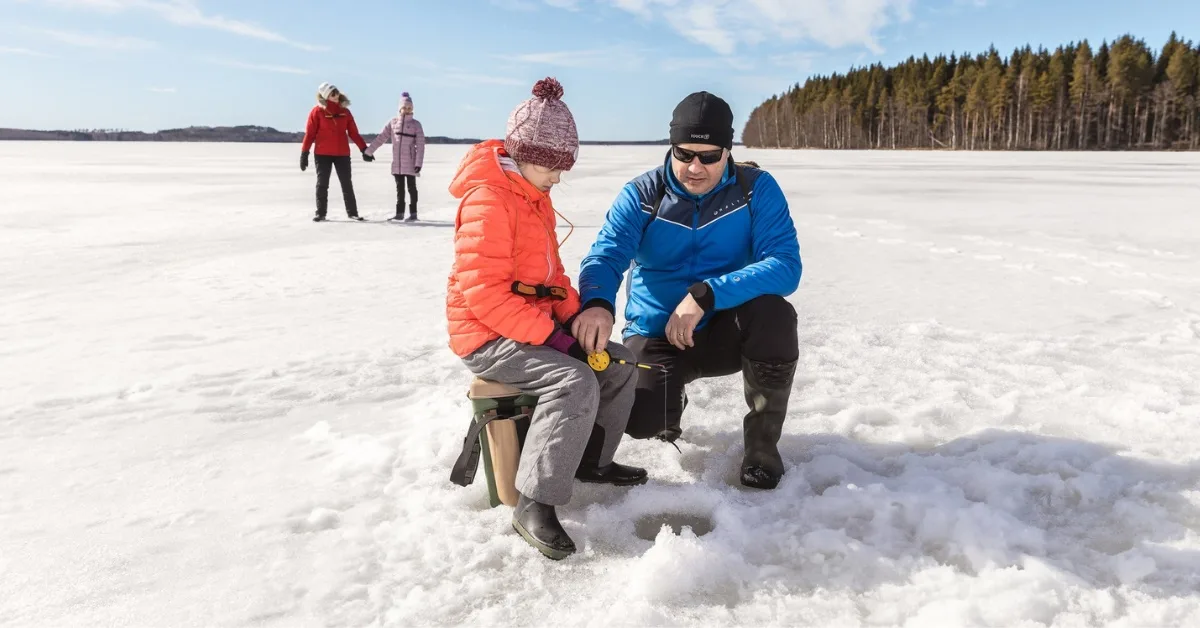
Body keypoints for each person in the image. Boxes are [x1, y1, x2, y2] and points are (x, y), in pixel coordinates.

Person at [445, 77, 646, 560]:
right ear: (521, 154)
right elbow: (485, 295)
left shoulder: (532, 196)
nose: (557, 177)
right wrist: (556, 341)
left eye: (562, 167)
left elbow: (551, 278)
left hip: (529, 326)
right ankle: (533, 502)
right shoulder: (489, 200)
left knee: (616, 363)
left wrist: (576, 319)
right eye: (549, 166)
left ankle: (592, 463)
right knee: (572, 380)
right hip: (486, 335)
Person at [574, 91, 802, 490]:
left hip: (727, 330)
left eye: (709, 156)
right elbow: (605, 257)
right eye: (684, 154)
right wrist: (597, 303)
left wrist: (706, 294)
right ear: (672, 147)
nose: (695, 168)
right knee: (643, 423)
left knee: (775, 314)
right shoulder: (643, 195)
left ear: (728, 152)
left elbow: (785, 265)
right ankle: (669, 397)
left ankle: (763, 447)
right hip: (658, 334)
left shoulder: (755, 189)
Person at [300, 82, 374, 222]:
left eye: (336, 92)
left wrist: (364, 149)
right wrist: (304, 154)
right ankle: (321, 213)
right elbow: (310, 134)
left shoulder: (345, 111)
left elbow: (353, 133)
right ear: (326, 96)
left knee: (347, 183)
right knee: (322, 183)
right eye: (332, 93)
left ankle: (352, 213)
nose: (336, 95)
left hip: (342, 154)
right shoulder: (317, 111)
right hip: (322, 154)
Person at [365, 91, 426, 222]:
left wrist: (418, 164)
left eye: (409, 108)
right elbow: (381, 138)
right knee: (400, 189)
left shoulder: (416, 125)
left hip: (410, 163)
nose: (407, 110)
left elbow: (420, 146)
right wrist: (369, 151)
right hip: (397, 164)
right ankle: (399, 213)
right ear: (400, 108)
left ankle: (413, 213)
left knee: (411, 188)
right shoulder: (393, 123)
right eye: (405, 107)